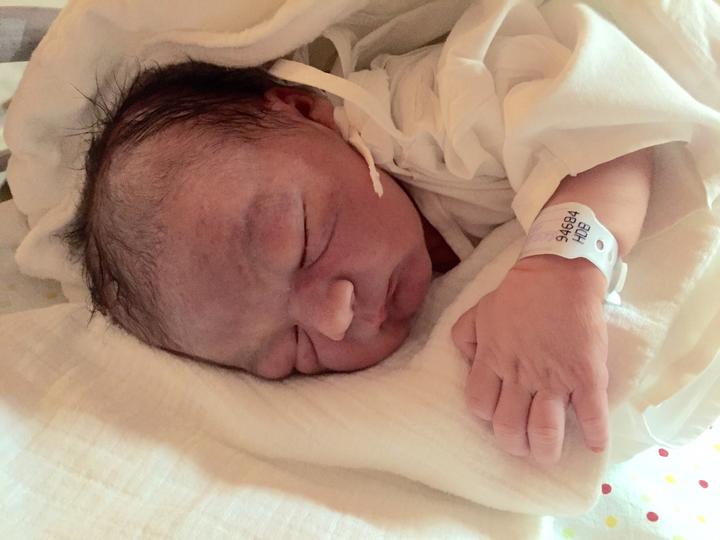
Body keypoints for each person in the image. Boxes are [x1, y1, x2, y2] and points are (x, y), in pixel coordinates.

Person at [65, 50, 652, 465]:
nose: (336, 317)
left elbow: (616, 119)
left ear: (305, 111)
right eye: (294, 351)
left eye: (302, 240)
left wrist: (560, 268)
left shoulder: (440, 109)